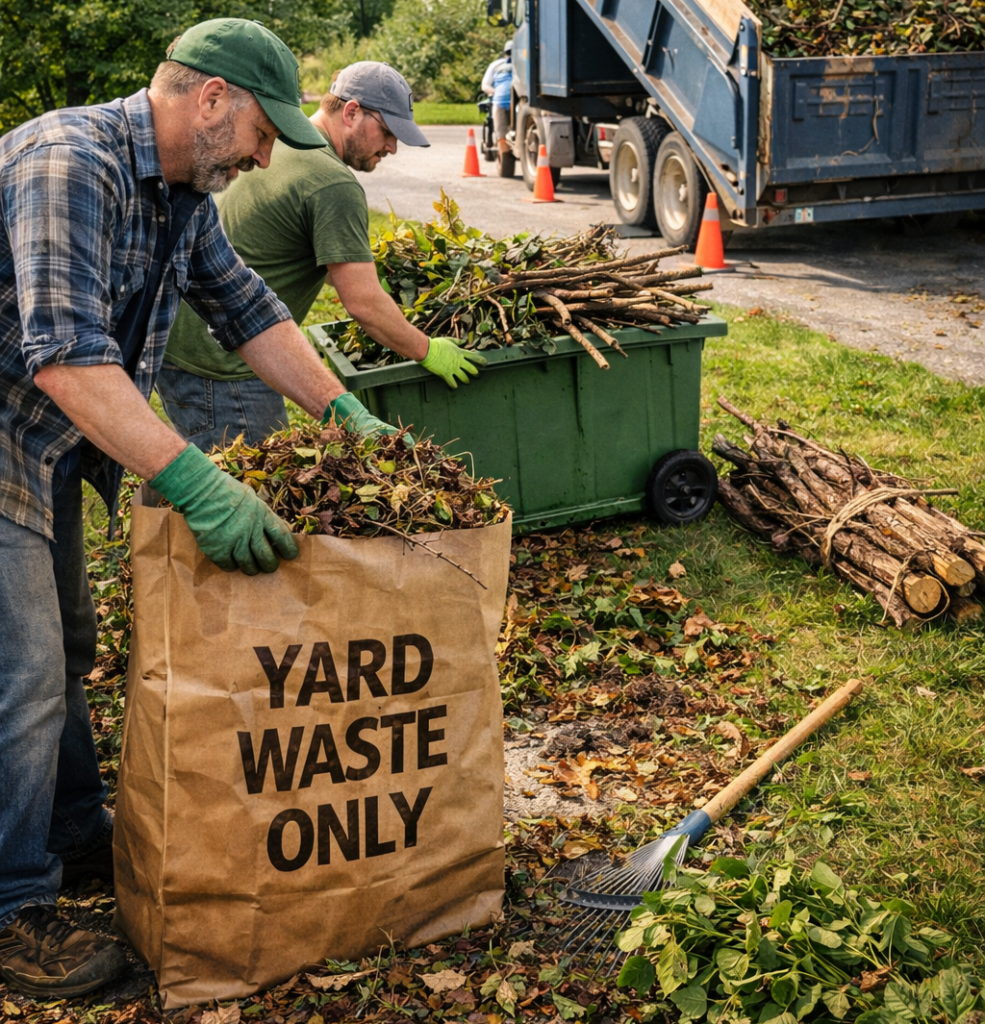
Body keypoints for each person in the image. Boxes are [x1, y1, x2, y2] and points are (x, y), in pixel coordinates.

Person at [0, 18, 398, 999]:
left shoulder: (182, 196)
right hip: (15, 427)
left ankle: (66, 827)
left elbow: (250, 309)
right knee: (25, 669)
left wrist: (342, 411)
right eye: (265, 132)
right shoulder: (71, 164)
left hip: (40, 443)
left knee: (73, 643)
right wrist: (195, 479)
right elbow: (64, 355)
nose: (266, 157)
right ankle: (11, 908)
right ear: (210, 98)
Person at [157, 60, 486, 452]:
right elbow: (363, 303)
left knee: (213, 484)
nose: (392, 148)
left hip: (180, 344)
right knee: (252, 501)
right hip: (227, 368)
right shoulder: (332, 182)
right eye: (387, 132)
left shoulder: (276, 142)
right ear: (351, 112)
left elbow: (309, 256)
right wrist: (427, 350)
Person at [481, 40, 513, 156]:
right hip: (501, 101)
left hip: (509, 102)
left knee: (501, 130)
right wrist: (495, 92)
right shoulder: (496, 65)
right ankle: (505, 153)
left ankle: (505, 151)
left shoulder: (523, 64)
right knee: (501, 130)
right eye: (510, 52)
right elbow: (485, 85)